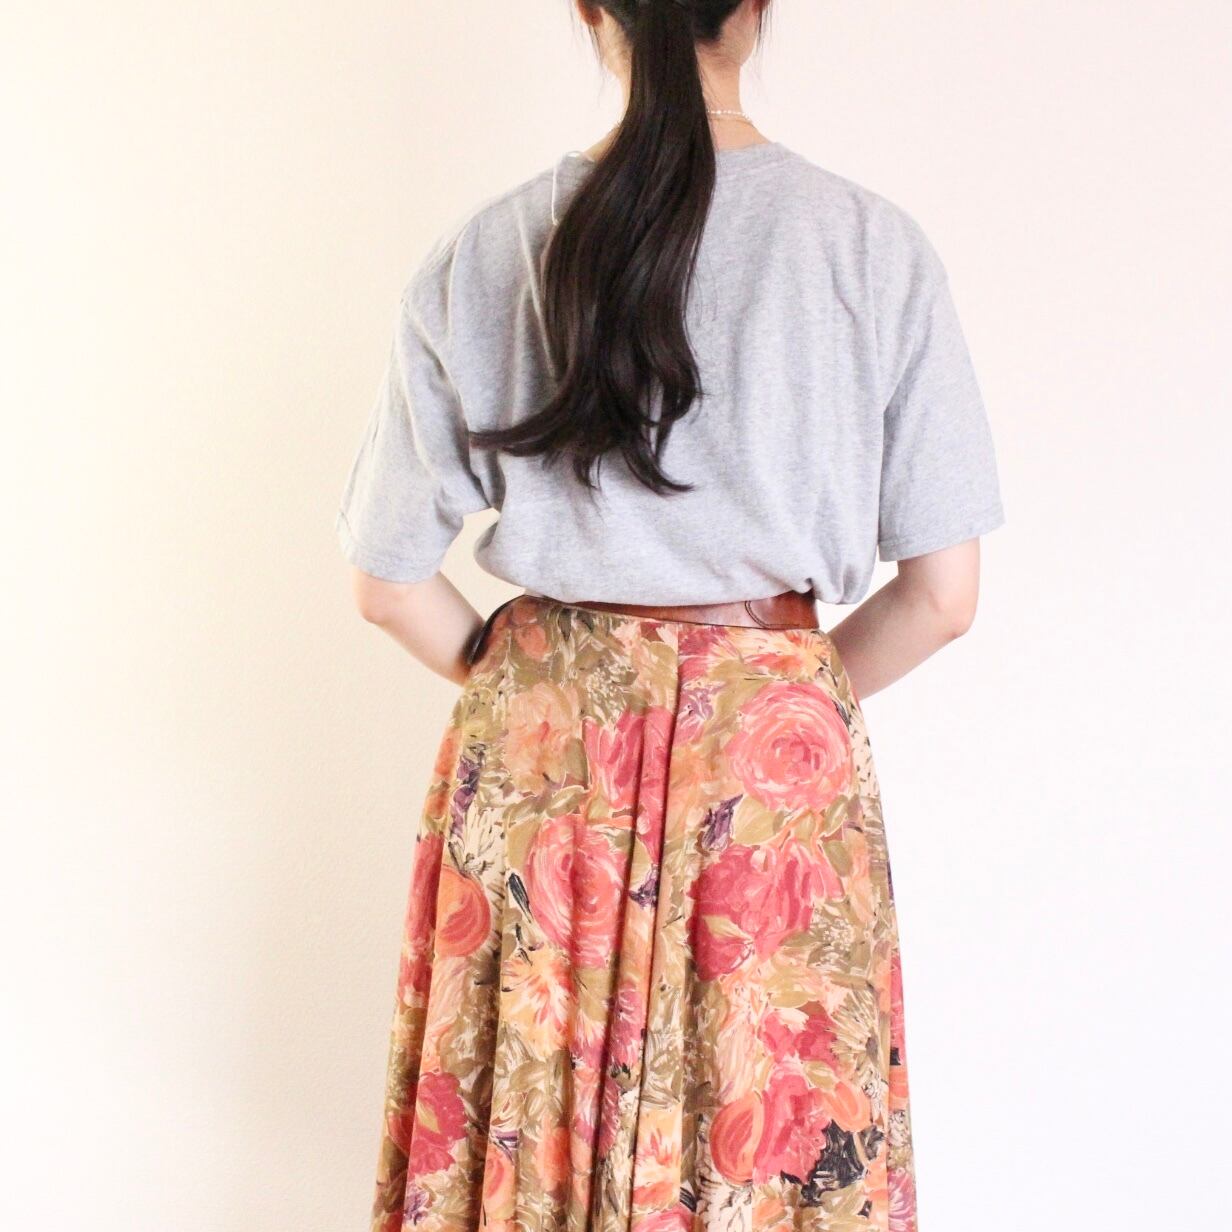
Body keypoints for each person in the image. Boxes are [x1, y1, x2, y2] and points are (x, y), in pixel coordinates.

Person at [334, 2, 1005, 1230]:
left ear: (588, 10)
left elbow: (387, 582)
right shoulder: (870, 246)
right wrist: (770, 691)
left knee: (532, 1121)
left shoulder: (486, 248)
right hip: (771, 769)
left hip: (544, 759)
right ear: (755, 9)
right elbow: (940, 596)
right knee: (766, 1125)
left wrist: (544, 683)